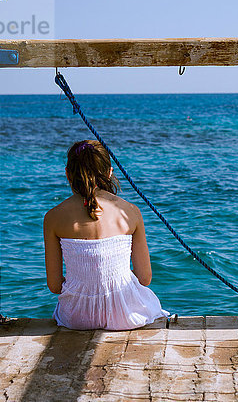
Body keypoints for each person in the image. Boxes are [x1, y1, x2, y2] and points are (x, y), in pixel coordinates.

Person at [43, 140, 169, 330]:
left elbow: (54, 286)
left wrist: (87, 290)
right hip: (125, 315)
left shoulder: (53, 217)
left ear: (68, 174)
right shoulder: (131, 212)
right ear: (110, 172)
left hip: (76, 318)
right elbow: (145, 278)